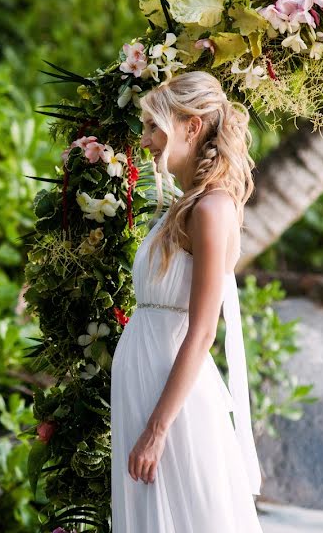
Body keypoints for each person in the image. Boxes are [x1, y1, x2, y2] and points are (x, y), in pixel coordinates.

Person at [110, 71, 262, 532]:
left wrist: (157, 431)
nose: (147, 140)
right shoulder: (180, 207)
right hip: (142, 387)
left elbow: (202, 332)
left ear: (191, 127)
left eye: (155, 126)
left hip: (172, 405)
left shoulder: (213, 209)